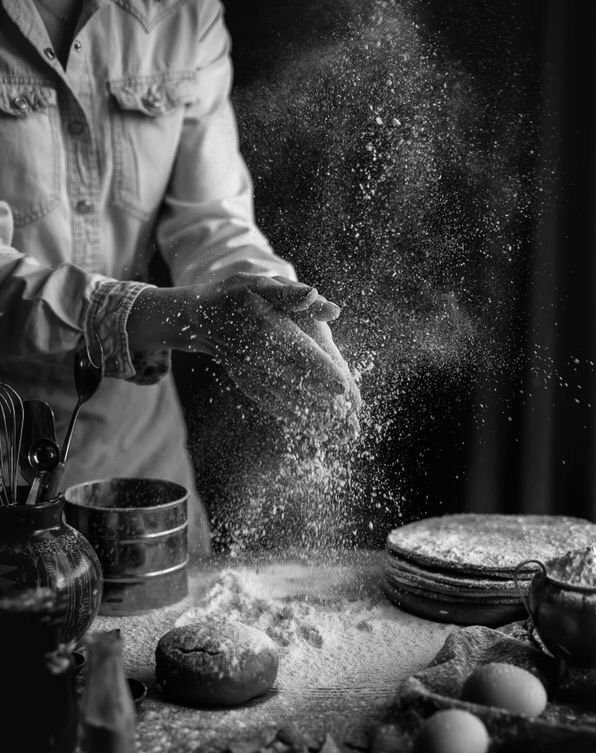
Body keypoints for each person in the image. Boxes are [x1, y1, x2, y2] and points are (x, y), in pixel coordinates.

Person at [0, 0, 361, 555]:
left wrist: (266, 300)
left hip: (135, 442)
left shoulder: (184, 11)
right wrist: (181, 316)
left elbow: (210, 215)